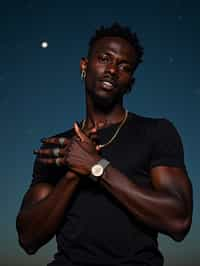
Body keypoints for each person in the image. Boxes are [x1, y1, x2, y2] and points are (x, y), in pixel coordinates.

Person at [16, 23, 193, 266]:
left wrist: (96, 166)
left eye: (124, 66)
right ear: (84, 65)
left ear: (130, 82)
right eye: (104, 58)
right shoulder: (57, 148)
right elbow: (28, 239)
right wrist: (71, 175)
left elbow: (179, 221)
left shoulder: (157, 132)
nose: (112, 70)